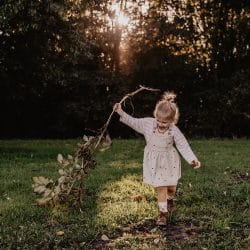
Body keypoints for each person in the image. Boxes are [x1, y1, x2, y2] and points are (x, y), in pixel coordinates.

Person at [113, 91, 201, 226]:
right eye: (158, 120)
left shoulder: (173, 130)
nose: (160, 124)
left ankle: (170, 199)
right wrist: (120, 112)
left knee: (171, 187)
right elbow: (134, 122)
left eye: (165, 122)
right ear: (155, 116)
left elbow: (183, 145)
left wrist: (192, 159)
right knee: (161, 186)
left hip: (169, 161)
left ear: (172, 120)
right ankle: (162, 213)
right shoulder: (148, 124)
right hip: (154, 161)